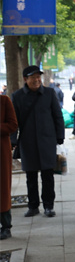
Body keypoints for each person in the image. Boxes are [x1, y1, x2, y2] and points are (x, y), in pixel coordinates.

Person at [10, 65, 65, 218]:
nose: (36, 80)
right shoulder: (17, 96)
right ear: (25, 79)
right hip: (28, 142)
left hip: (47, 141)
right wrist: (12, 140)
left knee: (48, 175)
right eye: (33, 77)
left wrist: (60, 136)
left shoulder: (49, 93)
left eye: (38, 77)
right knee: (31, 176)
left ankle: (49, 206)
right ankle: (33, 206)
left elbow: (57, 116)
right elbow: (14, 122)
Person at [1, 94, 18, 239]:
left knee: (2, 189)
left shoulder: (4, 101)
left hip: (1, 152)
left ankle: (6, 226)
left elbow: (13, 125)